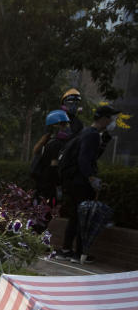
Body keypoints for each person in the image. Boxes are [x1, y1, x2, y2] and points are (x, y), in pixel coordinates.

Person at [57, 104, 120, 263]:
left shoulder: (87, 132)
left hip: (74, 181)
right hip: (81, 183)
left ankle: (66, 250)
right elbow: (84, 159)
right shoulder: (91, 135)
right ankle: (79, 254)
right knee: (83, 216)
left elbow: (89, 156)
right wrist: (92, 178)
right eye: (111, 118)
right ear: (104, 119)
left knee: (75, 216)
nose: (113, 121)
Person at [30, 109, 72, 219]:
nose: (66, 127)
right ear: (55, 127)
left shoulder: (47, 141)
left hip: (41, 185)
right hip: (48, 187)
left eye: (66, 124)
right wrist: (59, 186)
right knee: (45, 216)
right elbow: (54, 167)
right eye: (63, 125)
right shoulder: (56, 144)